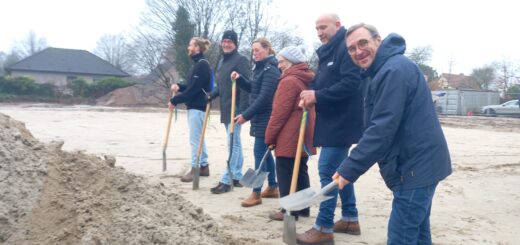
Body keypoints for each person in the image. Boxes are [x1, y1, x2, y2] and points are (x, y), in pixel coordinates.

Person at [336, 23, 452, 244]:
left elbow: (382, 127)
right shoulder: (380, 71)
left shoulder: (393, 70)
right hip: (419, 164)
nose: (358, 51)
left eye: (363, 43)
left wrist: (350, 168)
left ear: (378, 41)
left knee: (401, 237)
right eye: (351, 48)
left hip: (415, 167)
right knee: (418, 234)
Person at [296, 13, 365, 244]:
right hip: (331, 121)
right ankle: (350, 218)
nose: (319, 32)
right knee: (340, 171)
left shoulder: (345, 48)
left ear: (338, 25)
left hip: (342, 122)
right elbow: (322, 81)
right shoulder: (327, 53)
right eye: (316, 29)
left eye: (323, 27)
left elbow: (351, 83)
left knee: (327, 171)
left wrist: (318, 95)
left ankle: (324, 227)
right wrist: (309, 93)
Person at [265, 46, 316, 220]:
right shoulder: (305, 78)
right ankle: (303, 208)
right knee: (301, 169)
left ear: (291, 62)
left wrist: (270, 137)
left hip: (289, 133)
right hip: (302, 132)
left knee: (285, 170)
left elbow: (279, 113)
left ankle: (289, 211)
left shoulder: (288, 81)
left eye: (281, 62)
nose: (278, 65)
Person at [230, 37, 280, 207]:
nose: (254, 53)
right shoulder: (260, 69)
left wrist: (246, 115)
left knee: (259, 154)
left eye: (257, 50)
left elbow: (265, 98)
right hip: (260, 118)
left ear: (267, 49)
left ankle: (256, 193)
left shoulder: (271, 70)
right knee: (266, 154)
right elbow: (254, 88)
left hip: (267, 119)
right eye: (253, 51)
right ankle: (273, 187)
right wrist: (240, 79)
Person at [208, 30, 251, 194]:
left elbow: (247, 86)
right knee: (235, 142)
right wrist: (212, 94)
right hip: (226, 106)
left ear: (235, 44)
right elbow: (222, 85)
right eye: (224, 41)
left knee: (233, 143)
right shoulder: (222, 62)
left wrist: (245, 111)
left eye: (230, 42)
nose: (226, 44)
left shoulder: (241, 60)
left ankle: (227, 179)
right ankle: (237, 175)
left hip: (237, 108)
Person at [169, 37, 213, 182]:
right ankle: (204, 166)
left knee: (195, 140)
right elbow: (192, 86)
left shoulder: (202, 65)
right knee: (199, 138)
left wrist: (175, 100)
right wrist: (180, 87)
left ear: (197, 48)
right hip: (196, 107)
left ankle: (195, 169)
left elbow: (194, 90)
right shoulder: (198, 64)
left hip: (198, 107)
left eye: (190, 45)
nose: (188, 48)